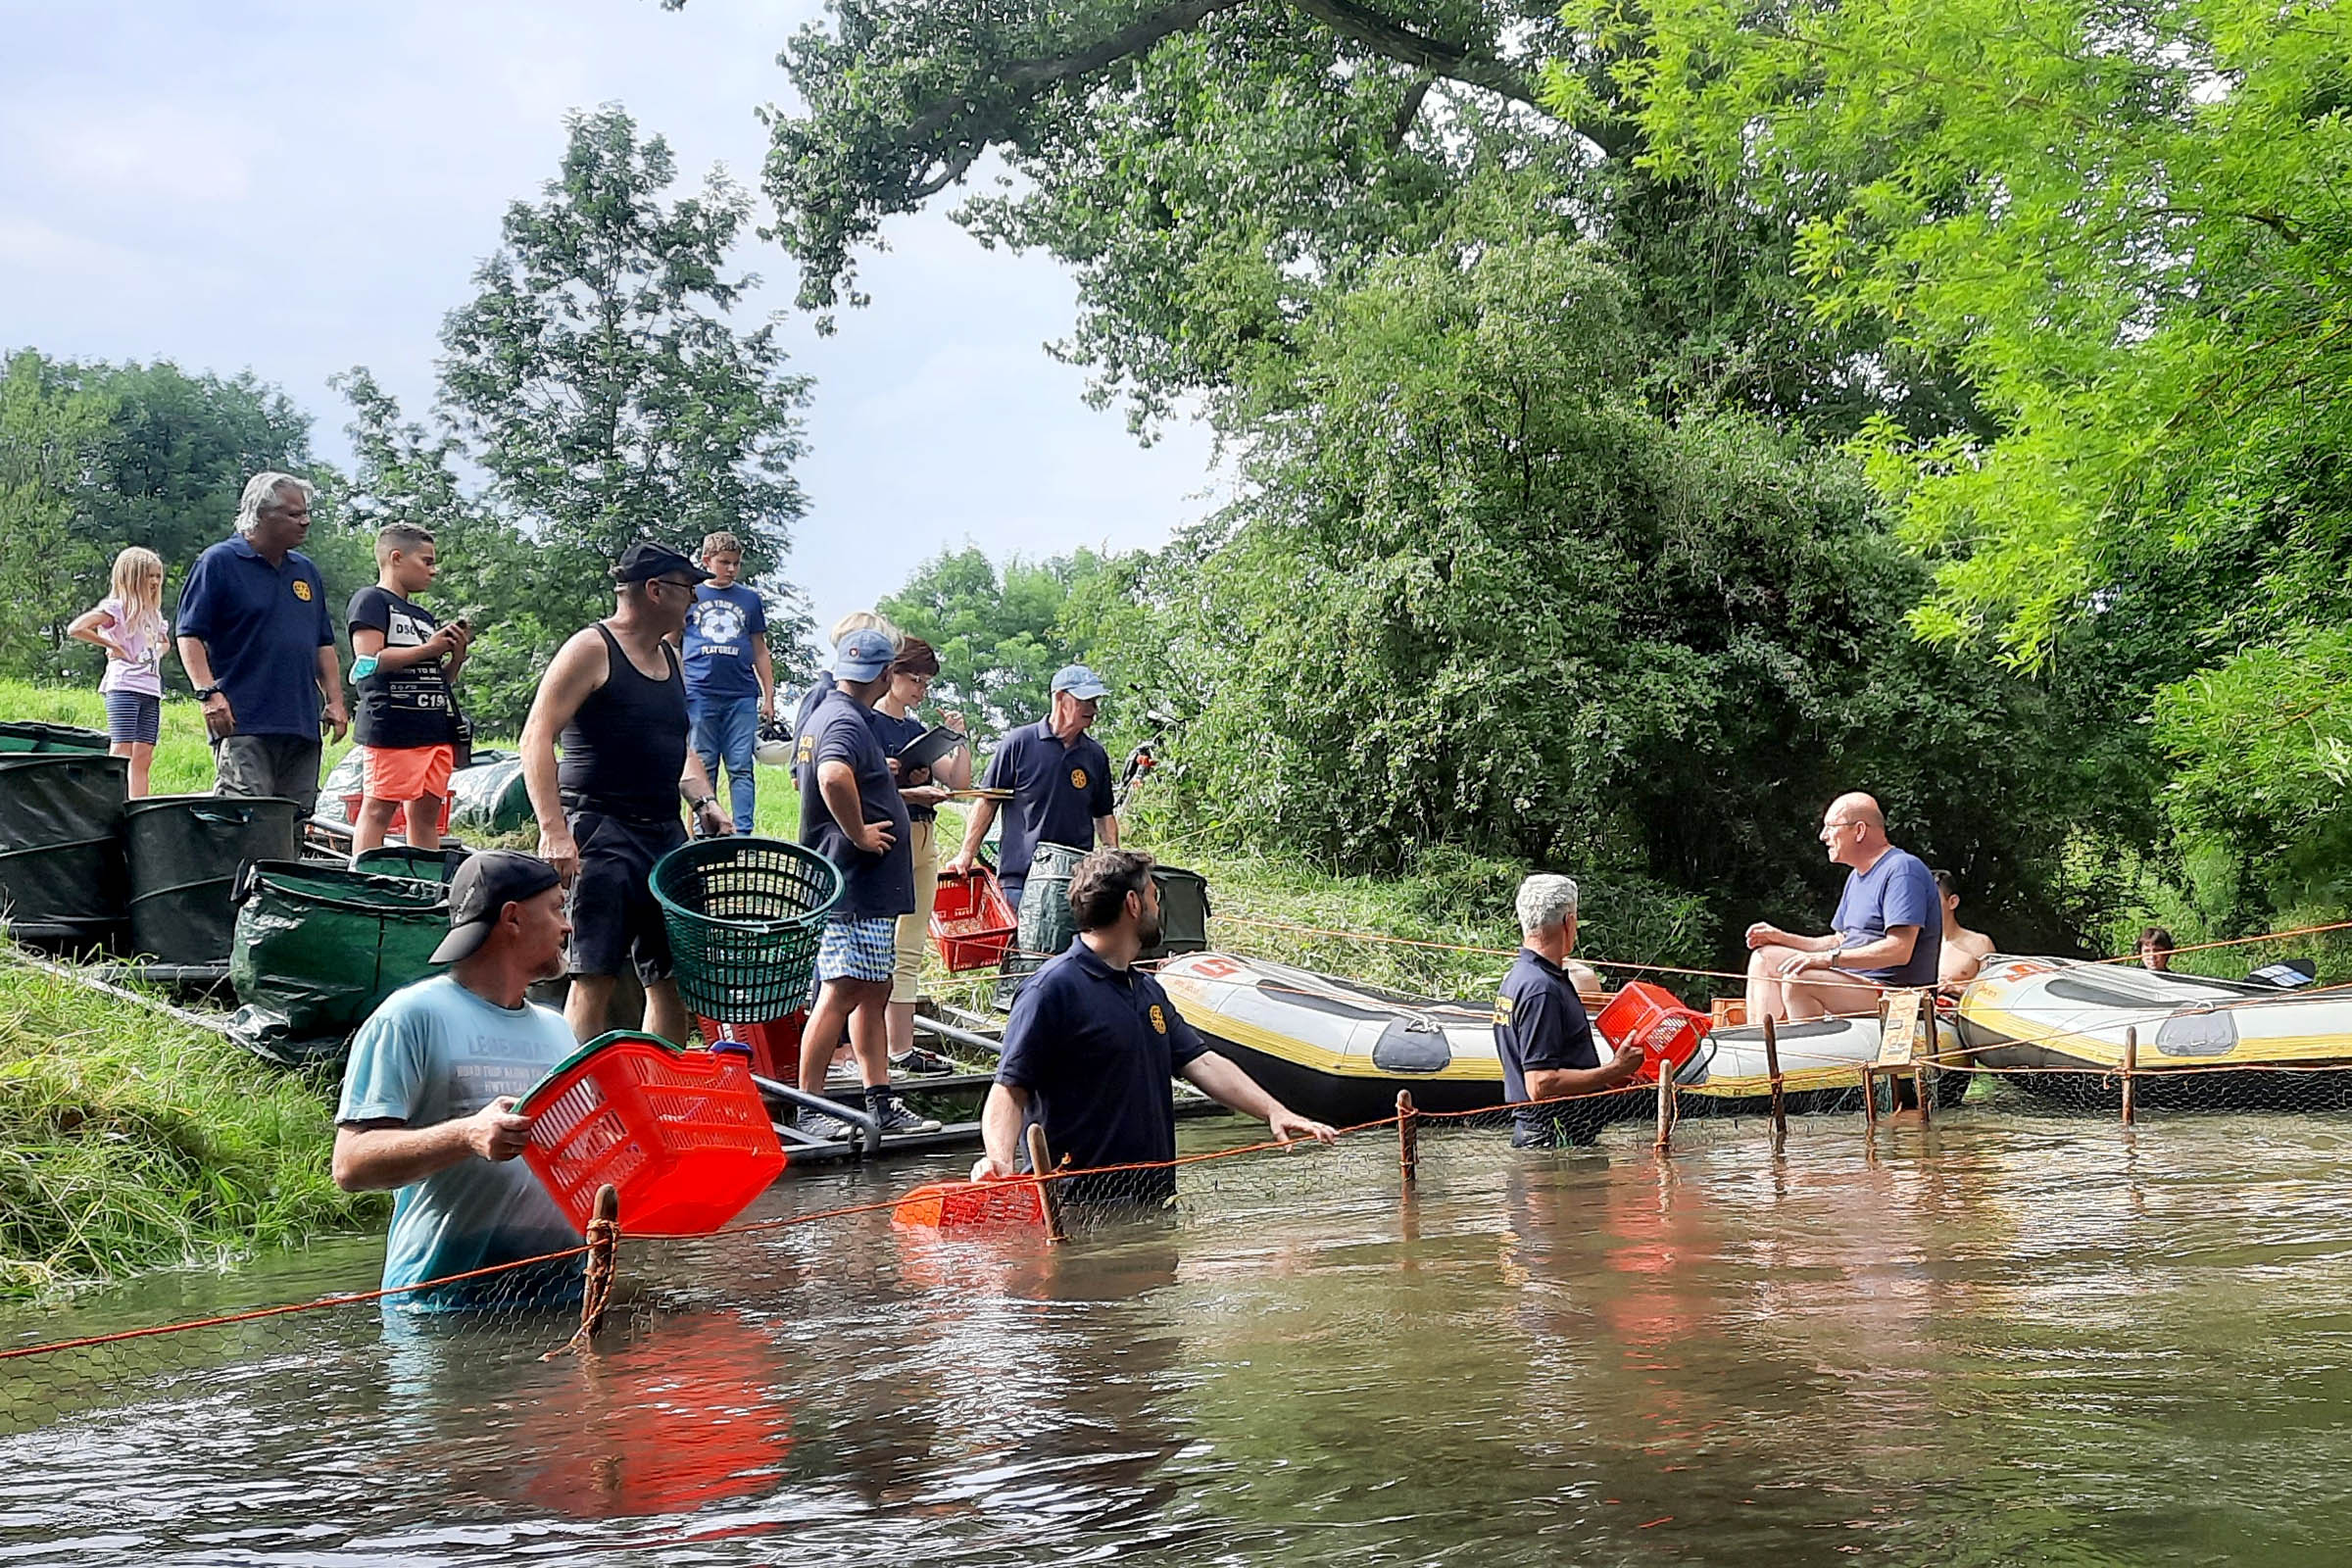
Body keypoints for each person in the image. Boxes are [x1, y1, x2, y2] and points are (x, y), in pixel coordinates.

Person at [973, 849, 1336, 1203]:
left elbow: (1203, 1063)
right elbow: (1008, 1089)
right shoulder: (1051, 990)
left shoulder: (1146, 989)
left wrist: (1275, 1111)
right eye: (1153, 896)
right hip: (1075, 1210)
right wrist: (1000, 1163)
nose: (1158, 908)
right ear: (1133, 904)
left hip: (1153, 1201)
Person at [330, 851, 583, 1310]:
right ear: (513, 919)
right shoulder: (411, 1018)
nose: (566, 926)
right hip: (442, 1305)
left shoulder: (559, 1029)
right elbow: (350, 1165)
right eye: (556, 908)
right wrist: (465, 1135)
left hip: (561, 1294)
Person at [521, 542, 732, 1045]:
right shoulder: (592, 649)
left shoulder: (672, 659)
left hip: (664, 835)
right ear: (654, 590)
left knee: (671, 982)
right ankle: (578, 1104)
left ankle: (657, 1099)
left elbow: (676, 746)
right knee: (594, 977)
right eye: (688, 590)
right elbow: (536, 735)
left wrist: (705, 802)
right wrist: (553, 830)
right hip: (601, 829)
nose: (695, 603)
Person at [793, 625, 939, 1136]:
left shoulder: (836, 714)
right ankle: (810, 1108)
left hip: (869, 887)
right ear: (883, 675)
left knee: (874, 988)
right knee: (840, 990)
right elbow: (833, 776)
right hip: (850, 882)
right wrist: (858, 833)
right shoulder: (844, 721)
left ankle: (879, 1099)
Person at [173, 471, 347, 812]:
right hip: (244, 721)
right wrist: (208, 693)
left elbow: (322, 644)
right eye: (293, 514)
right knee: (246, 821)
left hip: (300, 724)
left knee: (293, 822)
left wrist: (336, 700)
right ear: (261, 514)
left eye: (306, 512)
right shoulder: (219, 562)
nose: (305, 521)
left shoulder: (306, 571)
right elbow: (188, 633)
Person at [863, 636, 972, 1072]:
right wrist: (909, 789)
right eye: (915, 679)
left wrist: (959, 738)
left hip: (924, 838)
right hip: (888, 837)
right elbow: (860, 787)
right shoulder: (867, 722)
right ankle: (873, 1049)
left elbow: (960, 782)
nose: (920, 689)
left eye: (926, 682)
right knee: (879, 947)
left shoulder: (913, 730)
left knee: (910, 947)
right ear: (891, 673)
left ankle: (902, 1048)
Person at [1744, 792, 1942, 1022]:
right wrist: (1781, 937)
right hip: (1851, 982)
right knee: (1764, 958)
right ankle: (1760, 1045)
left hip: (1896, 995)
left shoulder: (1903, 870)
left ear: (1859, 830)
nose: (1823, 836)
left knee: (1800, 980)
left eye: (1831, 827)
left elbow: (1900, 949)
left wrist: (1829, 960)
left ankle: (1802, 1053)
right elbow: (1839, 941)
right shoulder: (1855, 877)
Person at [943, 664, 1119, 913]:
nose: (1093, 709)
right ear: (1060, 698)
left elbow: (1103, 814)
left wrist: (1114, 858)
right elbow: (987, 801)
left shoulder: (1095, 755)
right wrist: (965, 854)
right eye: (1086, 701)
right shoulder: (1019, 743)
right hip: (1021, 879)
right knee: (1020, 950)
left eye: (1096, 701)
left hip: (1076, 882)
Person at [347, 523, 470, 857]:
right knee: (379, 810)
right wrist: (429, 649)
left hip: (432, 729)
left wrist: (455, 658)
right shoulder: (371, 600)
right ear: (396, 558)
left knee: (426, 815)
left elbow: (435, 678)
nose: (434, 570)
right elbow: (368, 661)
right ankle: (363, 881)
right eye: (426, 561)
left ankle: (425, 884)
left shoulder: (423, 615)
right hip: (392, 727)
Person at [1494, 875, 1644, 1148]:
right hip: (1552, 1139)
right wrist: (1613, 1070)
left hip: (1546, 1134)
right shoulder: (1541, 989)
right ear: (1569, 922)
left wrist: (1612, 1079)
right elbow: (1540, 1084)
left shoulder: (1519, 978)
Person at [681, 530, 775, 837]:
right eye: (724, 562)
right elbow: (671, 642)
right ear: (706, 560)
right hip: (698, 692)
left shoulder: (749, 599)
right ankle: (703, 829)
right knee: (702, 764)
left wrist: (769, 696)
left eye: (736, 563)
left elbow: (760, 648)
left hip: (741, 695)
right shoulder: (690, 594)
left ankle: (742, 831)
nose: (731, 569)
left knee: (740, 765)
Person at [67, 546, 170, 798]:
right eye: (149, 576)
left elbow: (164, 641)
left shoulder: (153, 614)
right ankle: (111, 801)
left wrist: (156, 652)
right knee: (122, 749)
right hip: (124, 685)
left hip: (150, 688)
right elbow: (77, 628)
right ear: (132, 577)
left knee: (144, 753)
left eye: (158, 576)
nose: (155, 581)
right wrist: (112, 645)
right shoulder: (116, 608)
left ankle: (138, 804)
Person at [1934, 869, 1995, 992]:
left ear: (1952, 902)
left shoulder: (1980, 943)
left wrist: (1956, 988)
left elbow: (1994, 990)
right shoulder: (1914, 944)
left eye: (1933, 901)